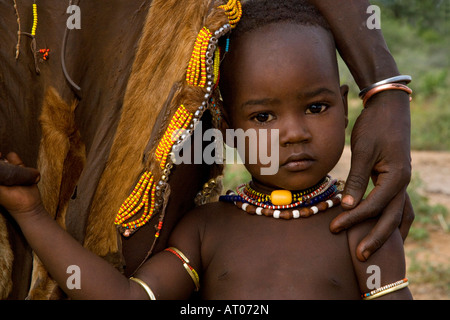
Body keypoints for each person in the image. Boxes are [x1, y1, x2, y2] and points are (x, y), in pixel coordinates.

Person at [0, 0, 413, 300]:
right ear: (229, 129)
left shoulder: (359, 226)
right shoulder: (206, 229)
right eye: (264, 117)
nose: (294, 134)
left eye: (316, 107)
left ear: (345, 109)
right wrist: (31, 214)